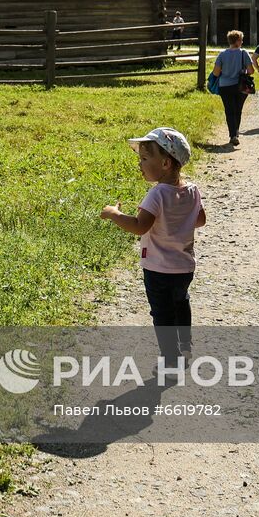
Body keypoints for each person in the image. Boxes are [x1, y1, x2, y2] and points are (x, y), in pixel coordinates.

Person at [101, 128, 205, 365]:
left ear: (166, 163)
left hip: (158, 269)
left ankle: (170, 360)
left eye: (145, 159)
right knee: (181, 303)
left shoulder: (156, 194)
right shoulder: (192, 191)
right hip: (185, 266)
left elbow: (139, 226)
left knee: (162, 314)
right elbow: (200, 220)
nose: (140, 164)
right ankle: (185, 347)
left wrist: (114, 214)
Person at [210, 29, 254, 146]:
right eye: (241, 40)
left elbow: (215, 72)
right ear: (237, 41)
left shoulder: (222, 54)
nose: (242, 42)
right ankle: (236, 132)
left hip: (225, 86)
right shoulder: (244, 53)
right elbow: (251, 71)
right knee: (238, 110)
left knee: (229, 110)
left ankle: (232, 135)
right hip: (240, 86)